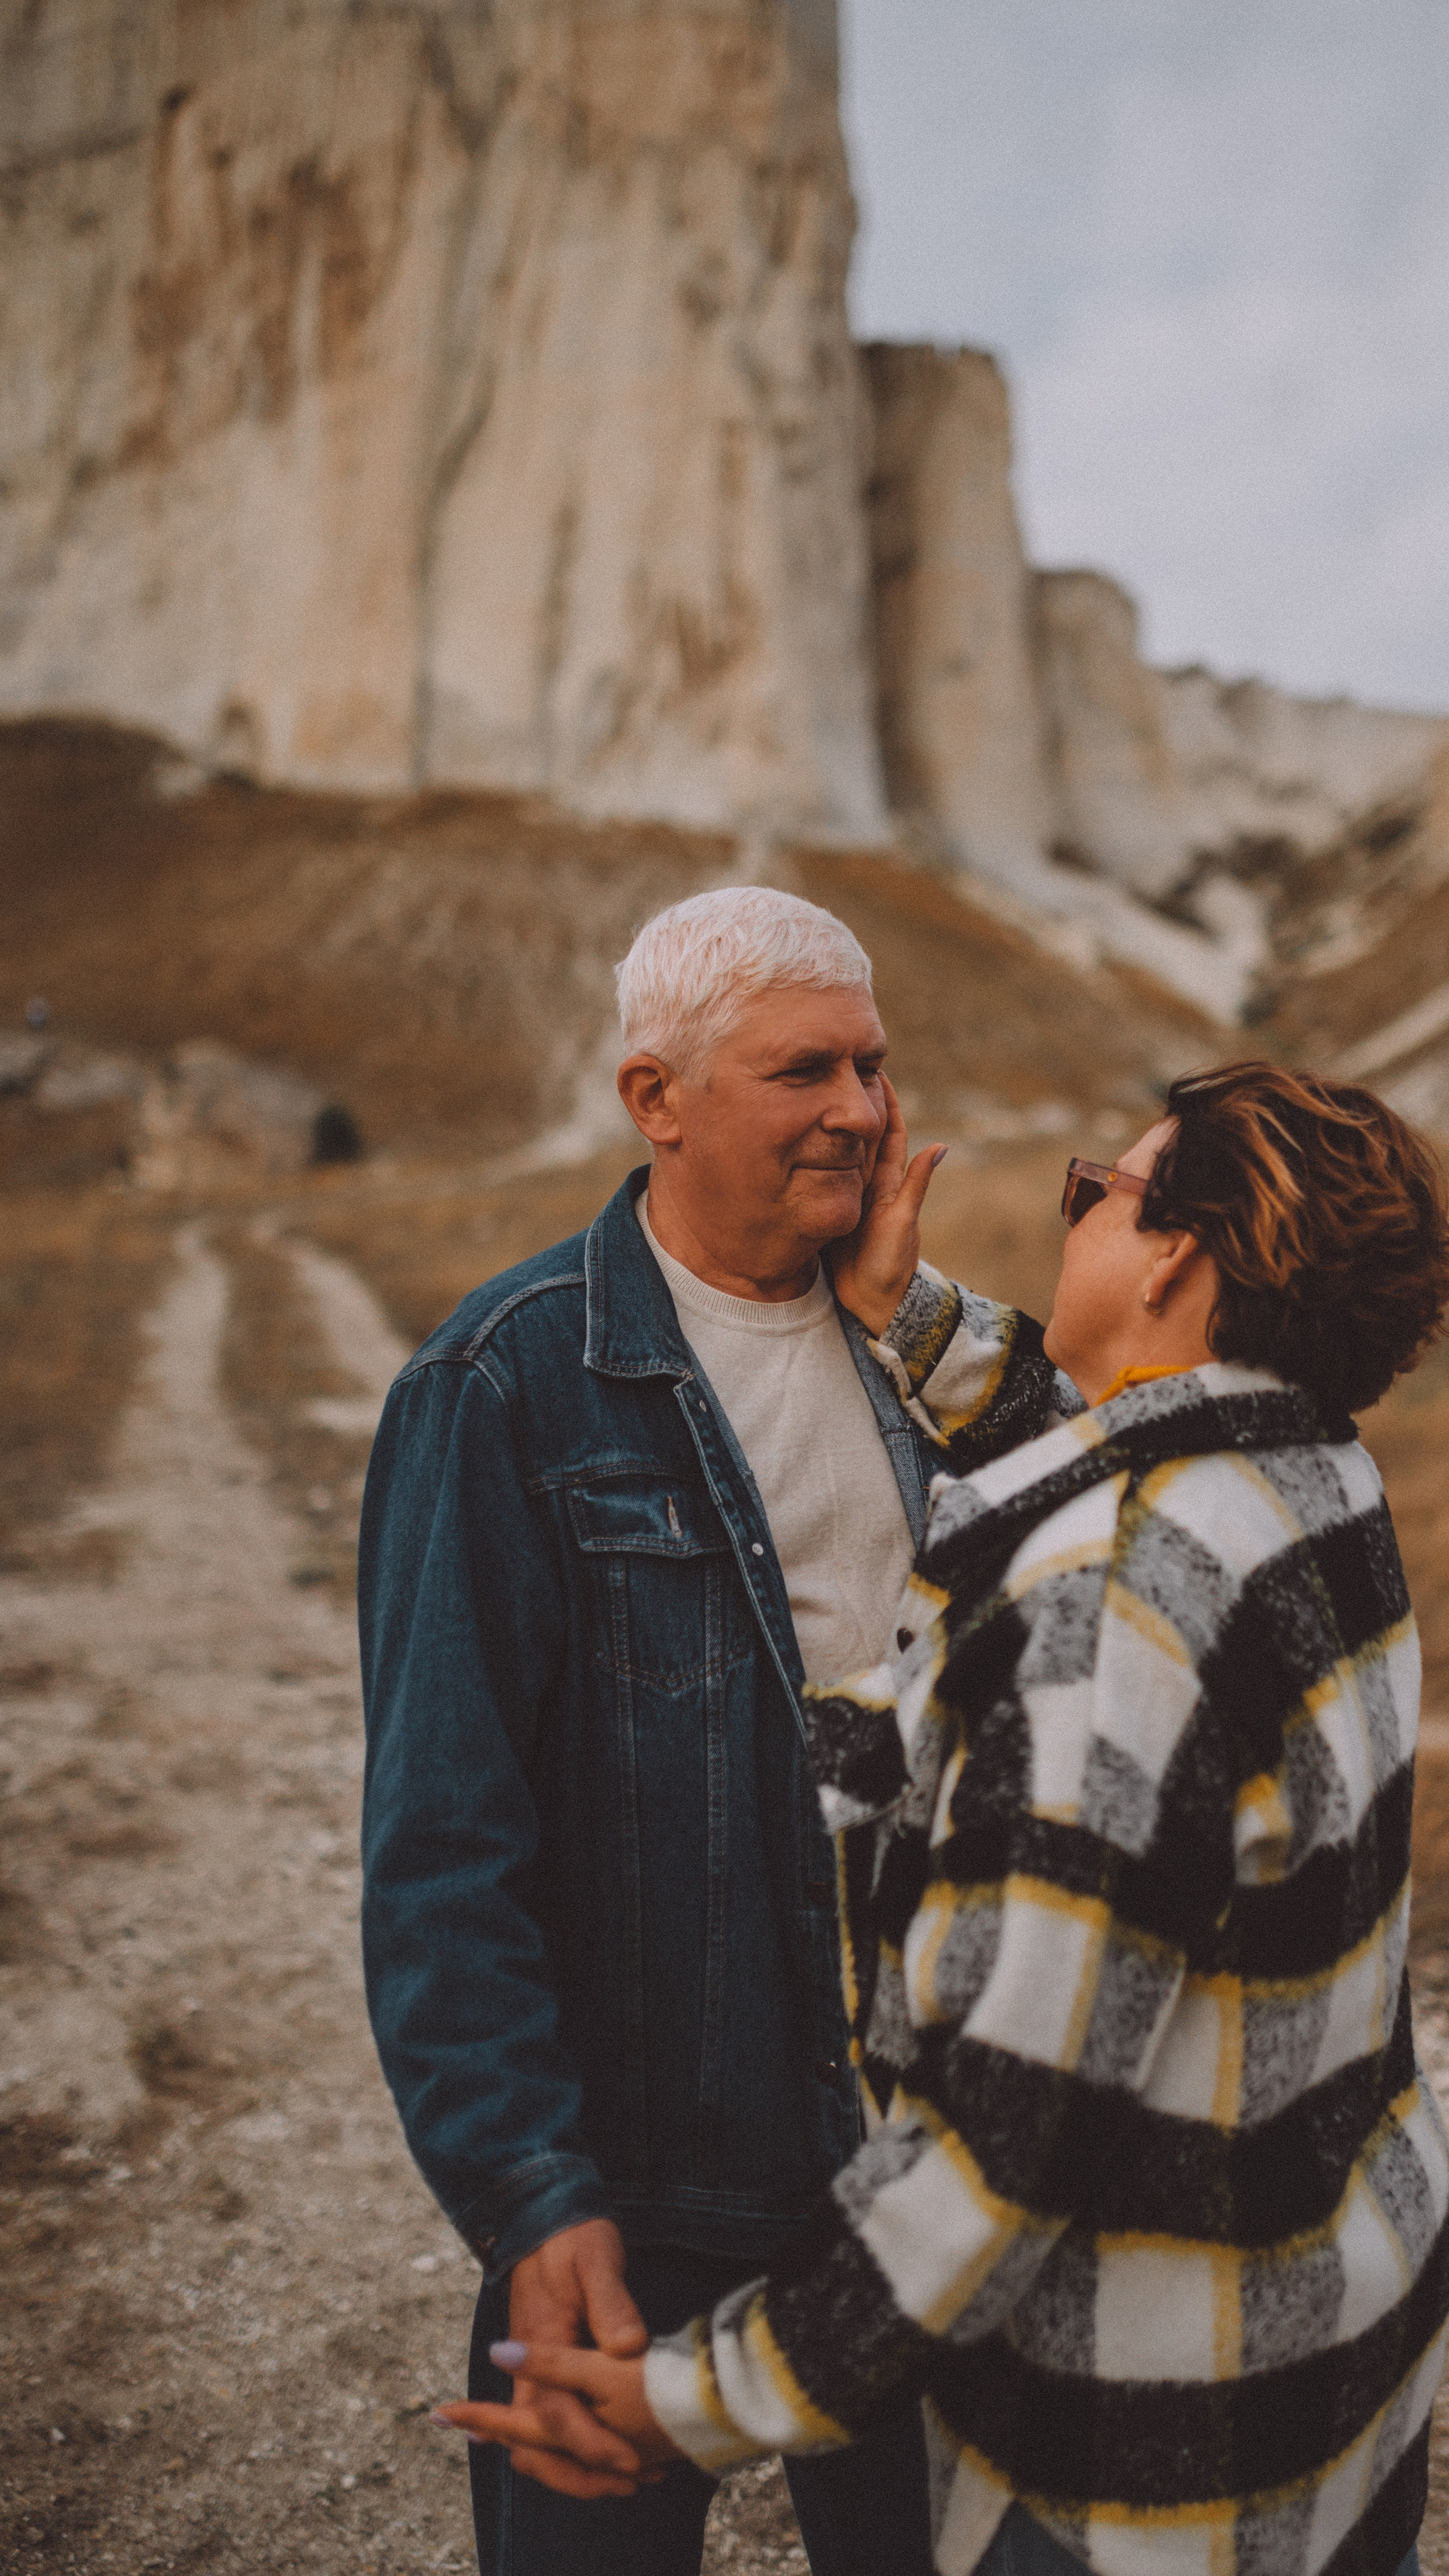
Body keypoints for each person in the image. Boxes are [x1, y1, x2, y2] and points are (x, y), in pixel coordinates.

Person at [437, 1061, 1449, 2576]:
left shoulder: (1115, 1611)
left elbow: (1000, 2147)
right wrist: (910, 1310)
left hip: (1143, 2465)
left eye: (1094, 1192)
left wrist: (695, 2401)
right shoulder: (1312, 1482)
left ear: (1173, 1250)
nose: (1069, 1218)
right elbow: (1111, 1444)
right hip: (1334, 2356)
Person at [360, 887, 1062, 2576]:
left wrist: (924, 1323)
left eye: (873, 1065)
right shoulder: (504, 1386)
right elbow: (445, 1846)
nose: (859, 1109)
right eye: (800, 1067)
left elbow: (1121, 1514)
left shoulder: (915, 1353)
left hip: (917, 2169)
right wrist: (530, 2192)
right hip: (644, 2177)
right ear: (654, 1098)